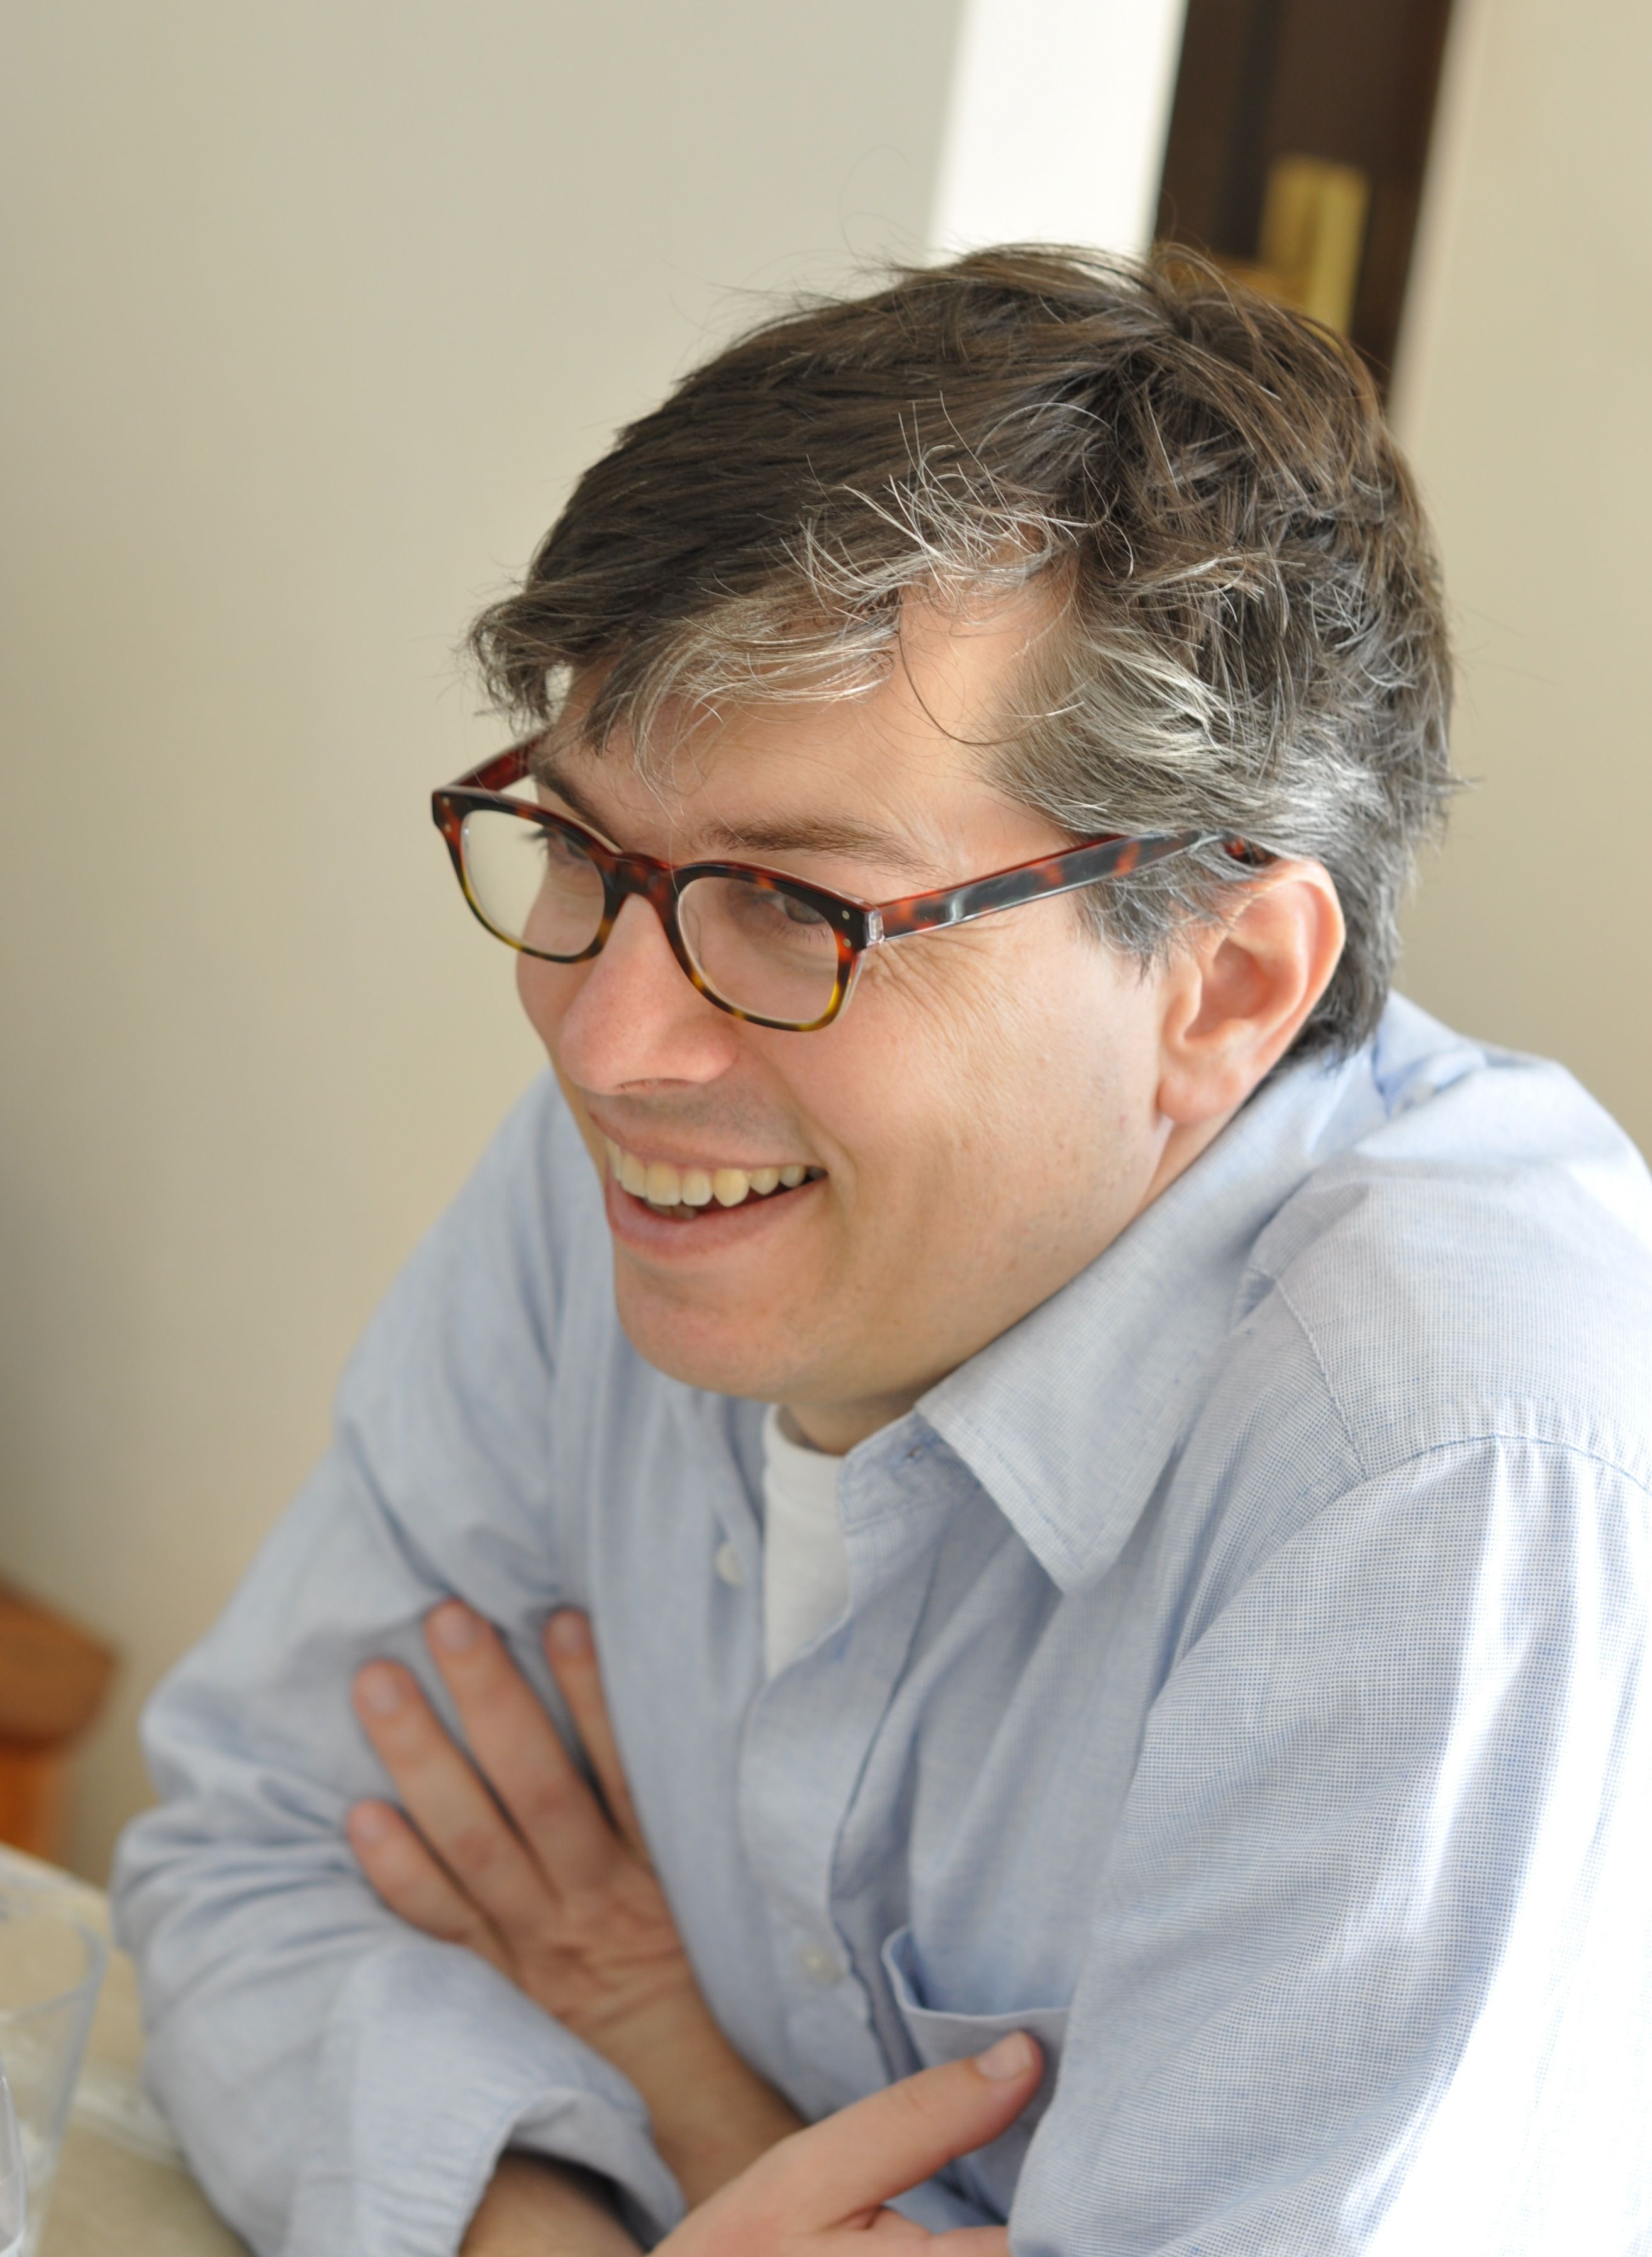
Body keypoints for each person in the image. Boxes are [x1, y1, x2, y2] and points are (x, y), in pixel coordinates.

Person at [114, 247, 1652, 2257]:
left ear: (1220, 985)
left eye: (789, 903)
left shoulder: (1443, 1454)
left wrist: (671, 2066)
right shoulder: (666, 1160)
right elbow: (250, 1856)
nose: (606, 1041)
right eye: (580, 847)